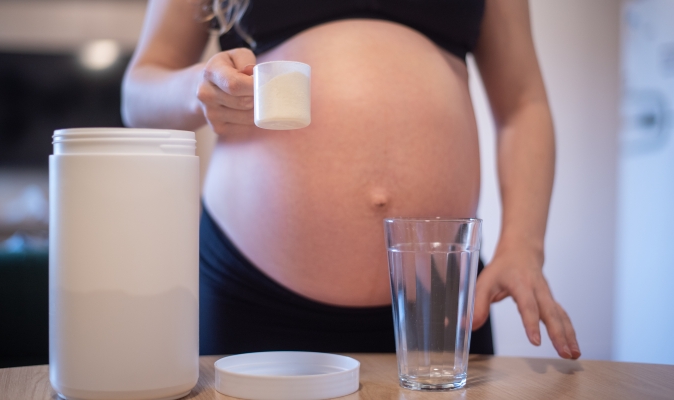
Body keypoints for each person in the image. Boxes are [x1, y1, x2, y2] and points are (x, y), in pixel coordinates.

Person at [122, 0, 581, 359]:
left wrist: (524, 246)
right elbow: (137, 93)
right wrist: (197, 91)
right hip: (250, 292)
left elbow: (523, 104)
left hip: (439, 300)